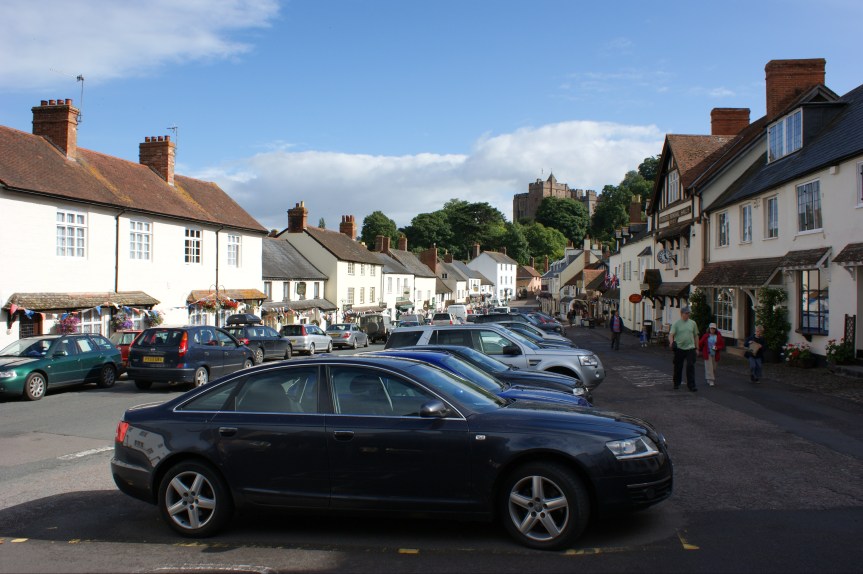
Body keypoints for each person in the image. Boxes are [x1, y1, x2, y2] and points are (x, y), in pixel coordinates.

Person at [669, 306, 700, 391]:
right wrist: (671, 343)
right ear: (682, 314)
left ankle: (691, 385)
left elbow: (696, 335)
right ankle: (676, 383)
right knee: (678, 366)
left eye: (689, 313)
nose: (688, 315)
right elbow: (671, 335)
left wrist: (697, 348)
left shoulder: (693, 323)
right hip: (679, 348)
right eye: (686, 313)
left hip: (690, 348)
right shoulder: (676, 324)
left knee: (690, 366)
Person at [698, 322, 726, 387]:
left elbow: (722, 345)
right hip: (708, 354)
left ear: (715, 329)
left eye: (713, 328)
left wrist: (717, 347)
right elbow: (700, 343)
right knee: (709, 367)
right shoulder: (706, 336)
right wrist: (698, 349)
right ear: (709, 329)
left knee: (714, 368)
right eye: (711, 328)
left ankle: (709, 378)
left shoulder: (718, 336)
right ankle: (711, 380)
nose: (712, 330)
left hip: (715, 354)